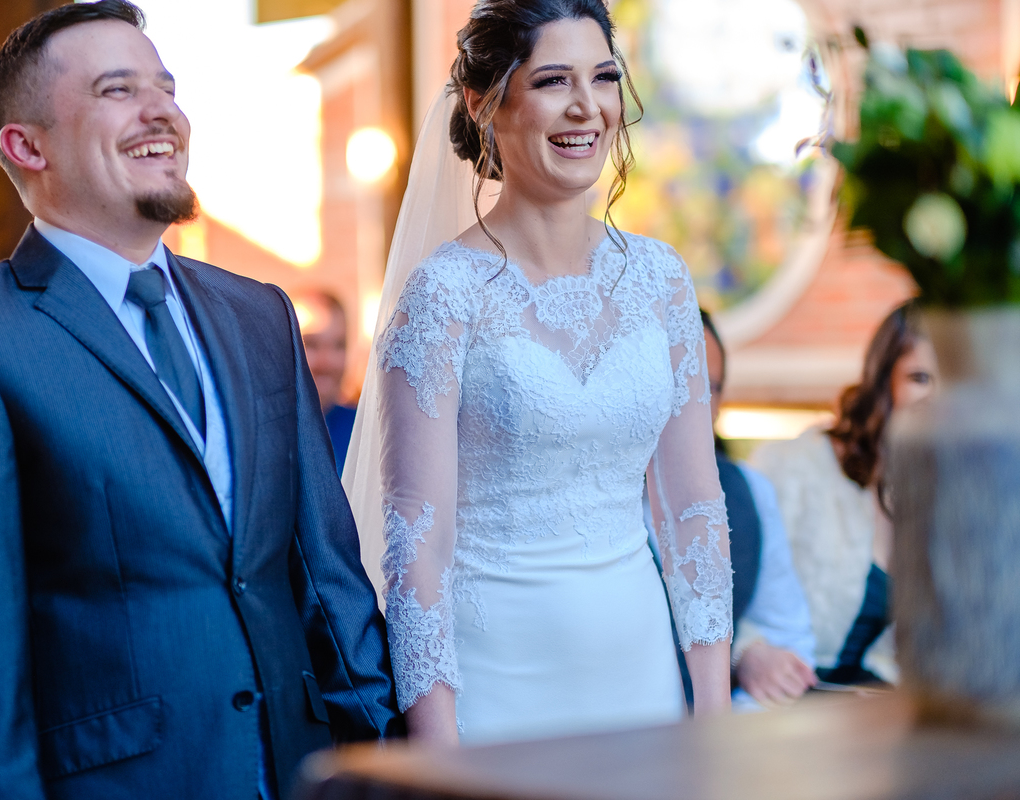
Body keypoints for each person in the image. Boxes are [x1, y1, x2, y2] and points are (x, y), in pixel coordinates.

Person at [0, 3, 398, 798]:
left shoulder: (260, 315)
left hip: (303, 773)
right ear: (27, 145)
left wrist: (384, 759)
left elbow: (327, 578)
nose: (164, 112)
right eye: (119, 90)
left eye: (168, 87)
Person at [345, 0, 733, 746]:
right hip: (497, 684)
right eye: (554, 80)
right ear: (485, 104)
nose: (586, 106)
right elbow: (416, 546)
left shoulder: (661, 280)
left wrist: (713, 718)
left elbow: (694, 511)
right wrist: (440, 748)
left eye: (604, 77)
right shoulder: (445, 294)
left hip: (641, 674)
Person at [750, 302, 937, 685]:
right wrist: (748, 654)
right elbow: (715, 589)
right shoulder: (793, 467)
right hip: (777, 708)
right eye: (920, 378)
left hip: (874, 722)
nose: (939, 398)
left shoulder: (955, 495)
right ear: (884, 383)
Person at [699, 312, 816, 708]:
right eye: (680, 381)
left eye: (711, 387)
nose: (698, 403)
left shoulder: (749, 493)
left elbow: (790, 643)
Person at [293, 290, 357, 474]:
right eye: (311, 344)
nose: (326, 362)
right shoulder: (261, 433)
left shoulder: (363, 429)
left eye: (338, 345)